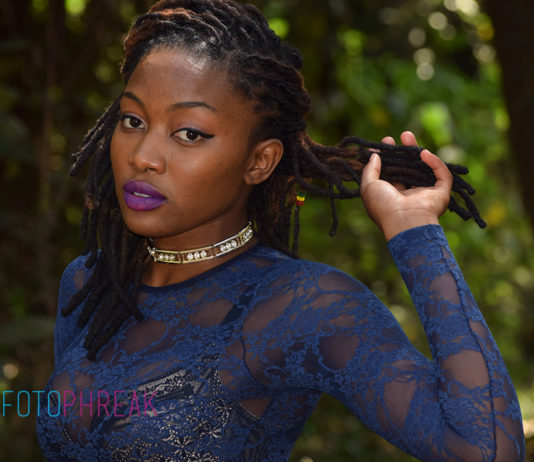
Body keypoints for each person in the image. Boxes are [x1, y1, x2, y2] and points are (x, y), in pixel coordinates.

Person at [36, 0, 525, 460]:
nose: (143, 156)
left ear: (259, 161)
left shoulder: (300, 307)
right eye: (132, 120)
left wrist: (414, 230)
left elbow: (486, 449)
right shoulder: (88, 283)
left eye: (189, 133)